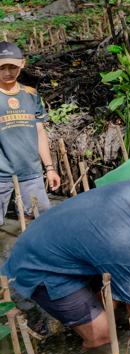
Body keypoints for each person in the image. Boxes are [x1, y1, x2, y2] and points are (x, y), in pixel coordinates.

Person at [1, 181, 130, 348]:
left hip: (44, 239)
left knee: (116, 300)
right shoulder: (126, 246)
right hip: (41, 267)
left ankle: (78, 316)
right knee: (104, 336)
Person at [0, 42, 60, 222]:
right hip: (1, 175)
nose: (8, 72)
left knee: (39, 223)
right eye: (2, 67)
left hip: (31, 173)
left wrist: (49, 168)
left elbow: (40, 132)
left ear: (22, 64)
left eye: (13, 67)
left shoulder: (31, 95)